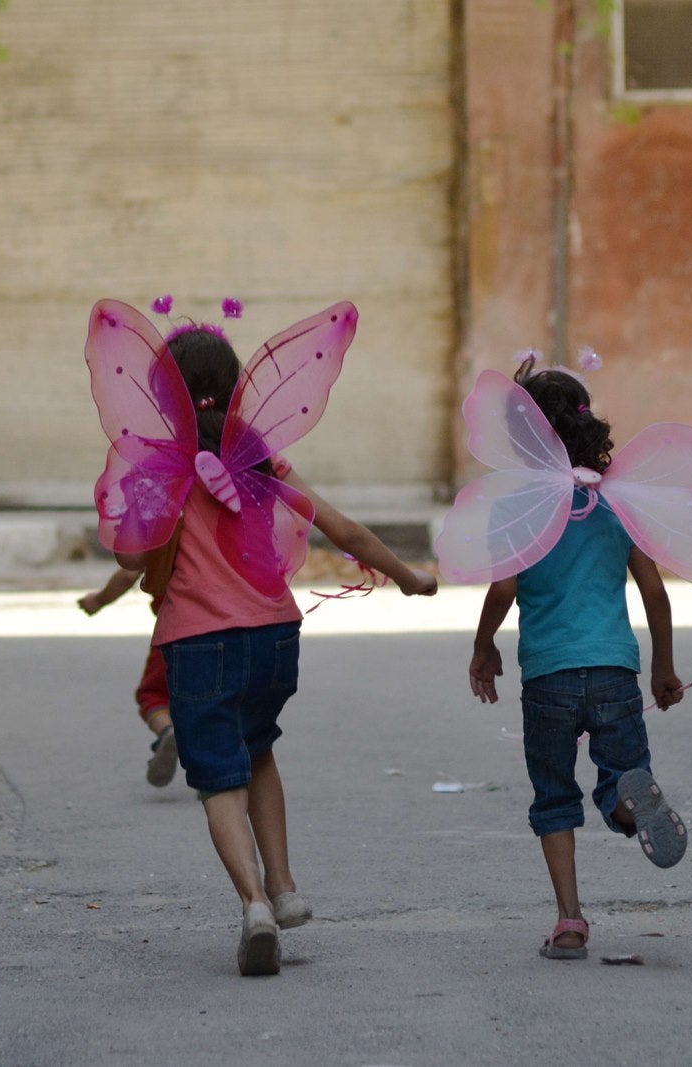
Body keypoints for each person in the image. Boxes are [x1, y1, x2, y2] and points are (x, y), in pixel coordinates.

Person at [109, 326, 438, 976]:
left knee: (217, 779)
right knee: (258, 750)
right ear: (235, 388)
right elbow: (341, 529)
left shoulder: (157, 469)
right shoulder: (261, 458)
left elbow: (129, 556)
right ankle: (285, 887)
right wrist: (408, 576)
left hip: (199, 641)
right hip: (275, 637)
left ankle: (255, 903)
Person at [466, 359, 689, 962]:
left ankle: (570, 922)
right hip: (615, 670)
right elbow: (654, 592)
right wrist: (663, 670)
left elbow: (504, 588)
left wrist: (484, 646)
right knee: (620, 774)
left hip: (548, 677)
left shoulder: (518, 506)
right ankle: (627, 802)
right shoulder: (616, 502)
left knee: (554, 796)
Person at [77, 565, 179, 787]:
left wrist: (98, 600)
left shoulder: (165, 538)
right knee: (218, 697)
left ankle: (166, 730)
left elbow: (128, 573)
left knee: (153, 695)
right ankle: (219, 765)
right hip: (232, 626)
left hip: (175, 630)